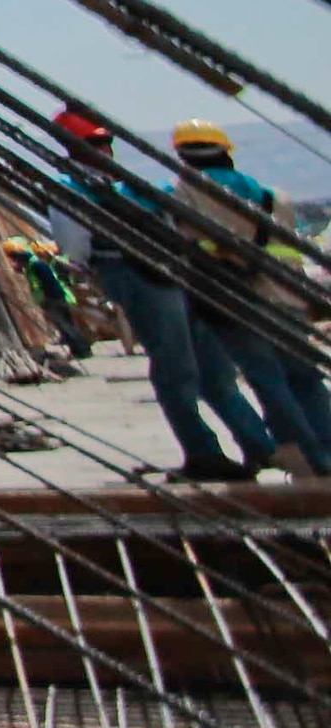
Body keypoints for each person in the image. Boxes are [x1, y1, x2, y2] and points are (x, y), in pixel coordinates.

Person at [58, 110, 285, 478]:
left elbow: (73, 246)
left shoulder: (75, 188)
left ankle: (208, 453)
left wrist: (91, 272)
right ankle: (260, 446)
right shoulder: (127, 187)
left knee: (175, 371)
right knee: (212, 372)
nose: (105, 150)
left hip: (138, 277)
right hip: (179, 275)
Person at [179, 123, 331, 468]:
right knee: (305, 378)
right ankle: (328, 449)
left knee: (268, 380)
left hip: (238, 302)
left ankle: (308, 455)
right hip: (287, 299)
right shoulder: (275, 197)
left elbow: (190, 245)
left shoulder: (188, 195)